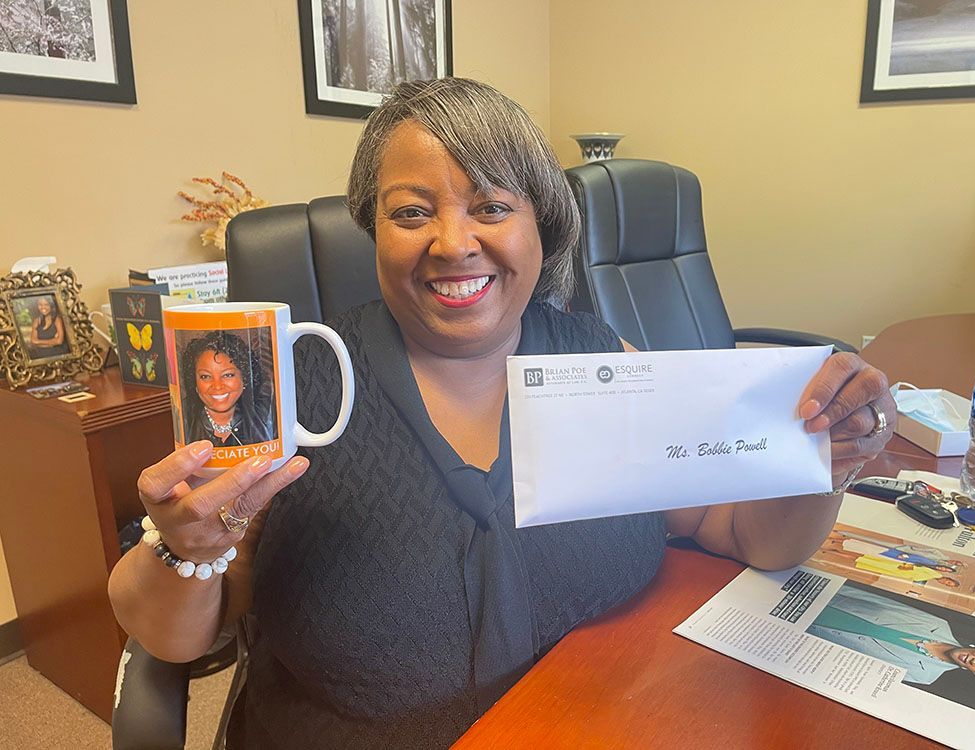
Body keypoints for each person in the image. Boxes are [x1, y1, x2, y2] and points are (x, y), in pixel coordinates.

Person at [108, 78, 899, 748]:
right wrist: (183, 548)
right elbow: (174, 638)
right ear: (372, 229)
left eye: (491, 206)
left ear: (540, 225)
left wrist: (824, 467)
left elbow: (739, 532)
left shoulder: (600, 362)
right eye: (412, 213)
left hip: (588, 721)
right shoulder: (294, 386)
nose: (454, 243)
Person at [807, 585, 975, 688]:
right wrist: (825, 587)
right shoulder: (938, 624)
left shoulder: (925, 676)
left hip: (812, 638)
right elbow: (878, 601)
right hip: (822, 600)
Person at [179, 330, 273, 447]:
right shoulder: (182, 420)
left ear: (244, 377)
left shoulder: (265, 416)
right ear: (194, 382)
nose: (217, 386)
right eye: (206, 376)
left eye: (228, 375)